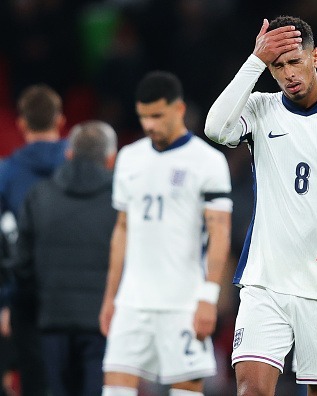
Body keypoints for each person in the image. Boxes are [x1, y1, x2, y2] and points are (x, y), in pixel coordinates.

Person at [205, 15, 317, 396]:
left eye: (294, 61)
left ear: (316, 57)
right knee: (250, 391)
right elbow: (216, 128)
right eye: (277, 66)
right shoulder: (260, 108)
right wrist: (254, 61)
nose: (287, 73)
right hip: (266, 282)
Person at [99, 71, 232, 396]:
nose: (149, 125)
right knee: (114, 387)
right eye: (144, 117)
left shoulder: (208, 161)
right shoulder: (129, 158)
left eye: (157, 116)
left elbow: (219, 233)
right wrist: (110, 297)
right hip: (133, 301)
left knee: (186, 389)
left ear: (179, 109)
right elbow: (122, 229)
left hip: (182, 302)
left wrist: (208, 298)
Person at [14, 120, 118, 396]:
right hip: (105, 326)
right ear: (111, 158)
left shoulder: (39, 195)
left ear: (69, 154)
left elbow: (21, 264)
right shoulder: (121, 201)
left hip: (52, 323)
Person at [0, 84, 67, 396]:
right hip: (77, 297)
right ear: (60, 120)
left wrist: (4, 301)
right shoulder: (81, 168)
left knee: (35, 384)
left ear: (22, 124)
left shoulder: (6, 174)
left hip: (23, 296)